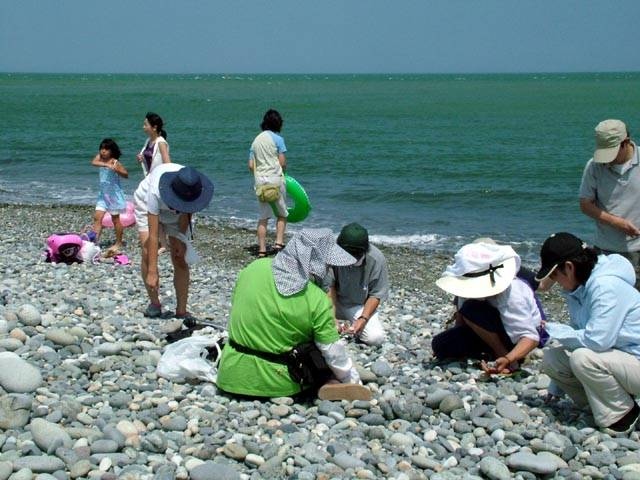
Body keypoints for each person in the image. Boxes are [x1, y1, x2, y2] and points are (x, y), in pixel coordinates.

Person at [216, 229, 372, 401]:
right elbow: (332, 351)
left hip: (230, 373)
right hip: (277, 382)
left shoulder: (252, 268)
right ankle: (329, 381)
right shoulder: (316, 298)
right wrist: (353, 380)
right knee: (317, 345)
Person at [537, 232, 640, 435]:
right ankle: (601, 405)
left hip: (634, 359)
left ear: (569, 267)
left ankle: (623, 415)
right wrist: (556, 386)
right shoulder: (578, 289)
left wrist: (551, 328)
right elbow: (577, 334)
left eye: (555, 275)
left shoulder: (605, 286)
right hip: (620, 363)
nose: (555, 282)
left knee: (583, 358)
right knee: (552, 358)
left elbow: (597, 341)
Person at [431, 241, 545, 375]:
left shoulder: (512, 293)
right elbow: (461, 319)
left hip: (521, 335)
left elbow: (530, 336)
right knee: (441, 345)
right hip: (489, 326)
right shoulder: (467, 283)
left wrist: (508, 359)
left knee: (471, 309)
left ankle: (505, 356)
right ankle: (490, 354)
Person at [133, 163, 213, 320]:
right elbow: (154, 234)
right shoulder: (155, 192)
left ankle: (181, 310)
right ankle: (154, 303)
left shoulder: (193, 190)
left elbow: (186, 213)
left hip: (178, 213)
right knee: (148, 252)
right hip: (146, 205)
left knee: (180, 257)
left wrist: (179, 239)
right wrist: (152, 271)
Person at [579, 119, 640, 287]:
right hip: (605, 249)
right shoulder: (594, 166)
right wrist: (616, 222)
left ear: (625, 143)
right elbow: (585, 204)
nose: (607, 160)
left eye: (611, 153)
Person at [322, 223, 389, 346]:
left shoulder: (376, 259)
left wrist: (363, 319)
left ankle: (350, 327)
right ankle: (339, 325)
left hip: (356, 304)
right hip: (329, 301)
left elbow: (376, 294)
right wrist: (331, 317)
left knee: (375, 338)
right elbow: (329, 288)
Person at [248, 109, 288, 258]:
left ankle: (262, 250)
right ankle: (278, 243)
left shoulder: (256, 141)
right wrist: (284, 171)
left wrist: (260, 174)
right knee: (282, 213)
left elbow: (251, 165)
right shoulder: (278, 139)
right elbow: (282, 162)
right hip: (275, 179)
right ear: (278, 124)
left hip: (260, 181)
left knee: (263, 217)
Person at [90, 138, 129, 255]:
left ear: (112, 151)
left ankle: (118, 242)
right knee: (97, 217)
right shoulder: (100, 159)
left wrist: (117, 170)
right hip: (103, 195)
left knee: (115, 219)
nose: (103, 151)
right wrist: (106, 164)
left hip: (113, 196)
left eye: (106, 149)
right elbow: (93, 162)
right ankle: (94, 242)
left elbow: (126, 174)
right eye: (102, 149)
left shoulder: (115, 162)